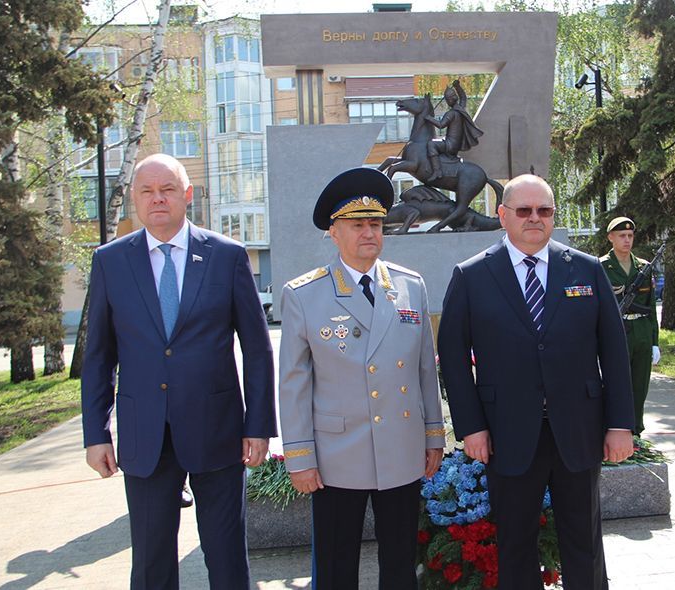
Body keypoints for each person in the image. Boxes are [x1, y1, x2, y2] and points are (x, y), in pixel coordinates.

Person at [81, 153, 277, 589]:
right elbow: (98, 356)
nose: (157, 199)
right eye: (147, 191)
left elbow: (258, 349)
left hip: (217, 430)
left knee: (226, 556)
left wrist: (259, 426)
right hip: (144, 434)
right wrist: (96, 434)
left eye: (167, 189)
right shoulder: (111, 261)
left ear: (186, 195)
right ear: (134, 198)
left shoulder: (226, 256)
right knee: (151, 563)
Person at [438, 174, 635, 590]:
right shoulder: (472, 276)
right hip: (507, 433)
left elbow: (614, 353)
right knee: (514, 544)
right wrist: (471, 427)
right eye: (524, 210)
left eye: (544, 211)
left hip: (578, 430)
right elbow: (454, 360)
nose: (534, 219)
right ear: (502, 216)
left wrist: (621, 424)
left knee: (585, 542)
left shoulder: (585, 269)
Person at [279, 167, 445, 590]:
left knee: (399, 563)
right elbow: (294, 384)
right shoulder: (304, 294)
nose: (368, 232)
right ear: (333, 233)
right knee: (336, 567)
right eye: (356, 225)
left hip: (400, 449)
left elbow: (426, 368)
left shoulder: (410, 286)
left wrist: (433, 436)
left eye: (375, 223)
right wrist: (300, 456)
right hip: (337, 455)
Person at [601, 216, 661, 435]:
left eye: (630, 236)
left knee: (639, 386)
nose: (627, 240)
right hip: (617, 332)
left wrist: (654, 342)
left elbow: (651, 307)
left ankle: (636, 431)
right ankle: (613, 429)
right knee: (616, 385)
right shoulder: (601, 267)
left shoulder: (643, 268)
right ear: (611, 238)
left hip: (642, 332)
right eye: (621, 236)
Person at [424, 79, 484, 180]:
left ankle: (437, 171)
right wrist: (457, 87)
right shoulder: (460, 109)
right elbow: (463, 98)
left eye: (447, 100)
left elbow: (440, 125)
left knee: (431, 144)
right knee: (439, 140)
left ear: (449, 100)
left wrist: (428, 118)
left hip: (450, 145)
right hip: (456, 144)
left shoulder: (451, 114)